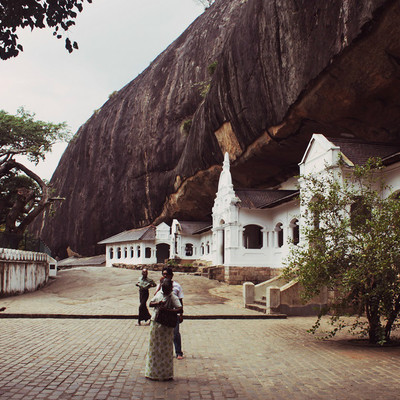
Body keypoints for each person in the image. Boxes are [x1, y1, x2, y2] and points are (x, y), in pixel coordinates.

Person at [145, 279, 183, 381]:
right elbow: (150, 303)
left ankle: (164, 374)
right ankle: (152, 372)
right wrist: (158, 303)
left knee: (165, 350)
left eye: (167, 290)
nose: (166, 292)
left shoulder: (173, 297)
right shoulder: (159, 294)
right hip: (156, 323)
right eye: (164, 290)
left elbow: (180, 308)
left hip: (166, 325)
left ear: (171, 289)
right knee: (155, 349)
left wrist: (168, 310)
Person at [155, 267, 184, 359]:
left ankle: (178, 352)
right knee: (162, 333)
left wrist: (181, 315)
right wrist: (160, 284)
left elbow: (180, 301)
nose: (165, 275)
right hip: (163, 314)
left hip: (173, 313)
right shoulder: (161, 285)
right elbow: (155, 296)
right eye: (163, 274)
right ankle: (163, 352)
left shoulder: (177, 286)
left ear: (171, 275)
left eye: (166, 274)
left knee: (175, 333)